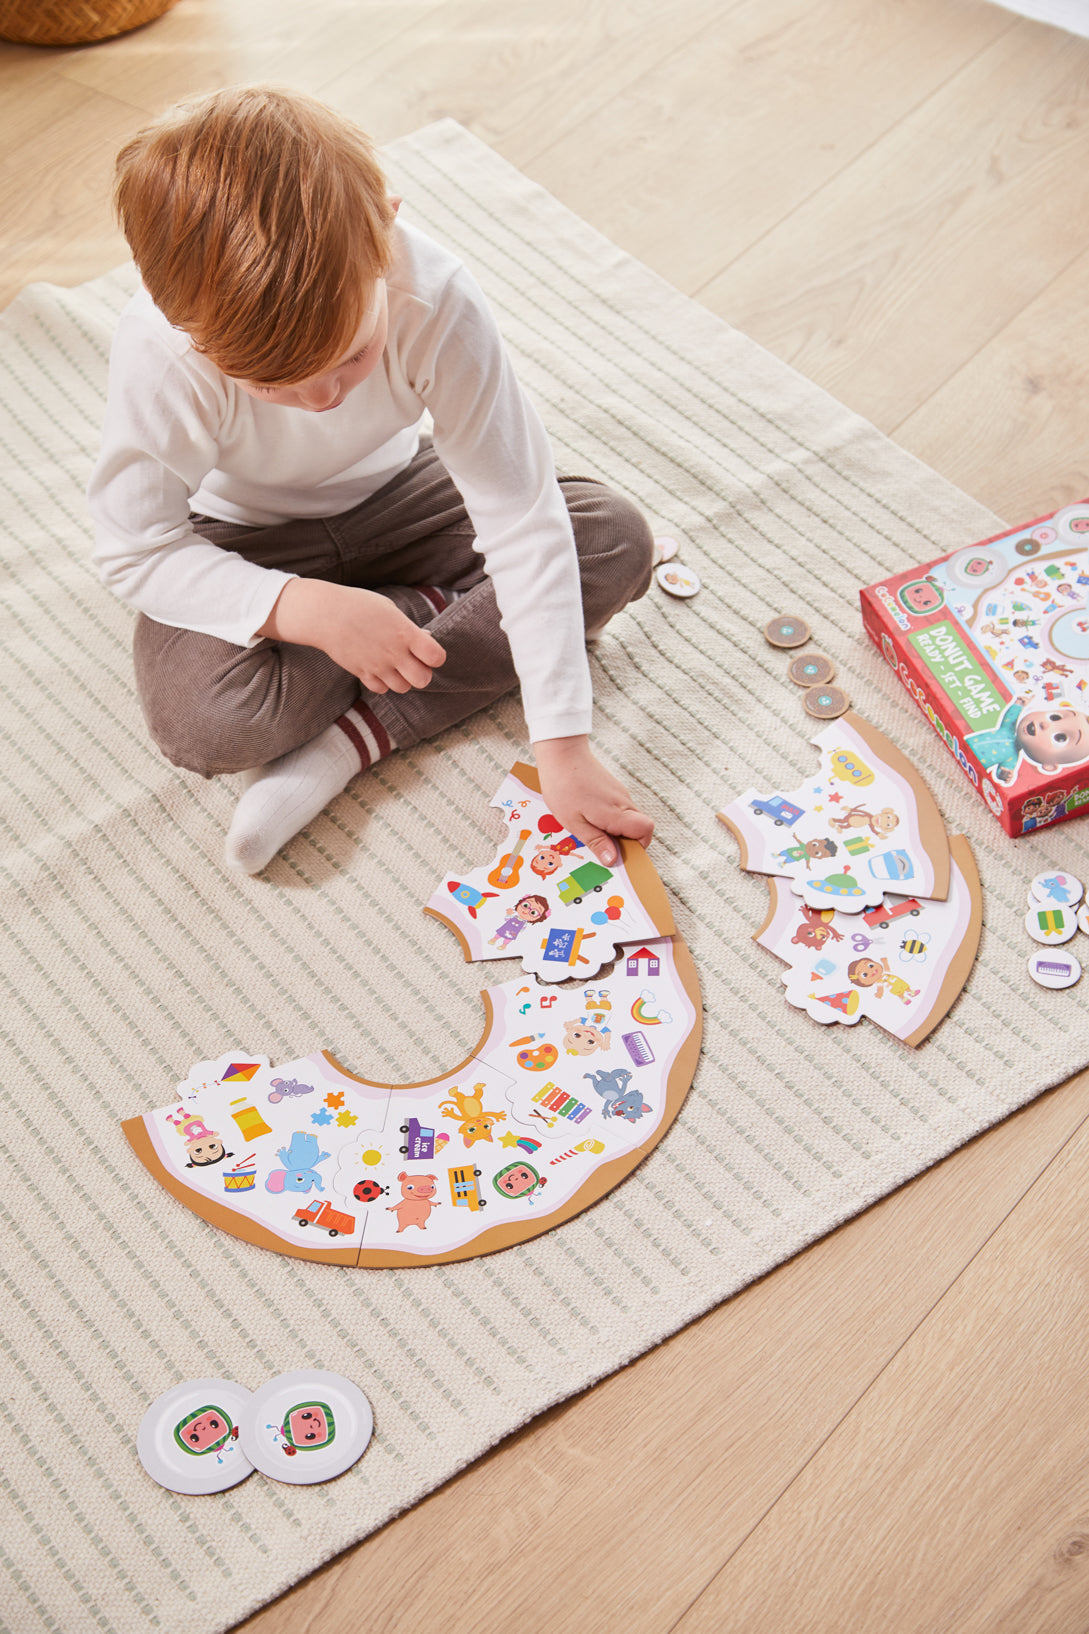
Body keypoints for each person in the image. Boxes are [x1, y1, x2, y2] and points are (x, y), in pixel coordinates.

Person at [87, 85, 655, 874]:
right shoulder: (162, 352)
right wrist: (304, 608)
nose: (321, 401)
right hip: (245, 540)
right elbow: (135, 552)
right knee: (204, 725)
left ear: (384, 231)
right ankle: (420, 615)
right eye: (273, 386)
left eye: (352, 357)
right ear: (180, 321)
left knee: (613, 537)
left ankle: (352, 741)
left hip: (404, 497)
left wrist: (561, 744)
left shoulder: (437, 295)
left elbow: (520, 516)